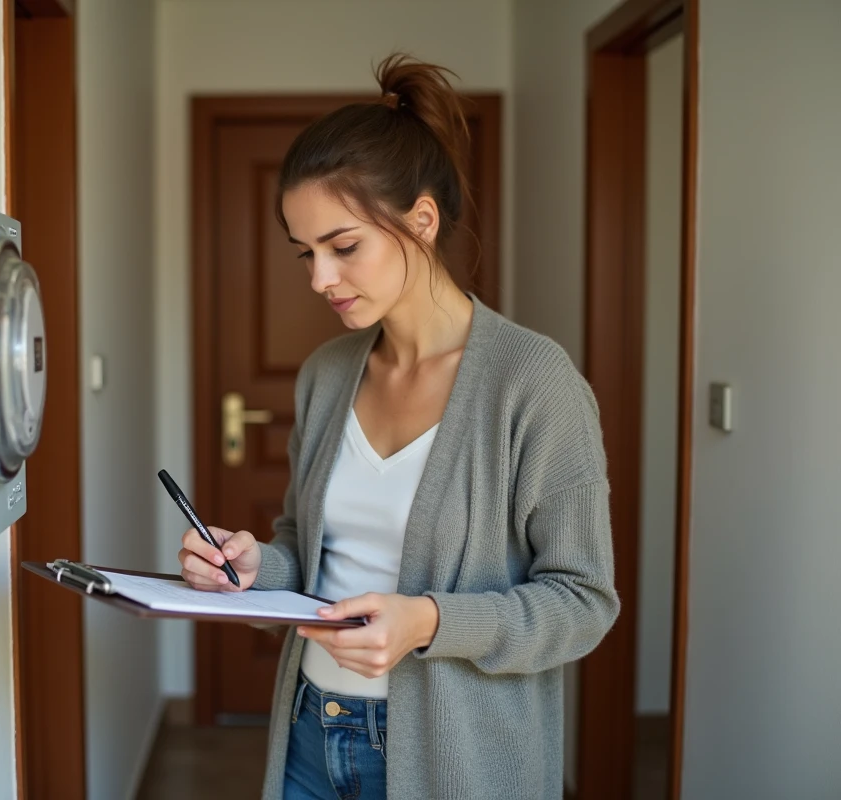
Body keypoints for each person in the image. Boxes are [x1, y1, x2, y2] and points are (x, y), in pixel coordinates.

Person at [177, 52, 620, 800]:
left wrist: (428, 622)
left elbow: (583, 604)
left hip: (461, 762)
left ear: (422, 219)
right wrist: (256, 568)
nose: (320, 278)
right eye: (306, 253)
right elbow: (305, 548)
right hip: (311, 732)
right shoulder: (326, 374)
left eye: (343, 247)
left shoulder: (533, 385)